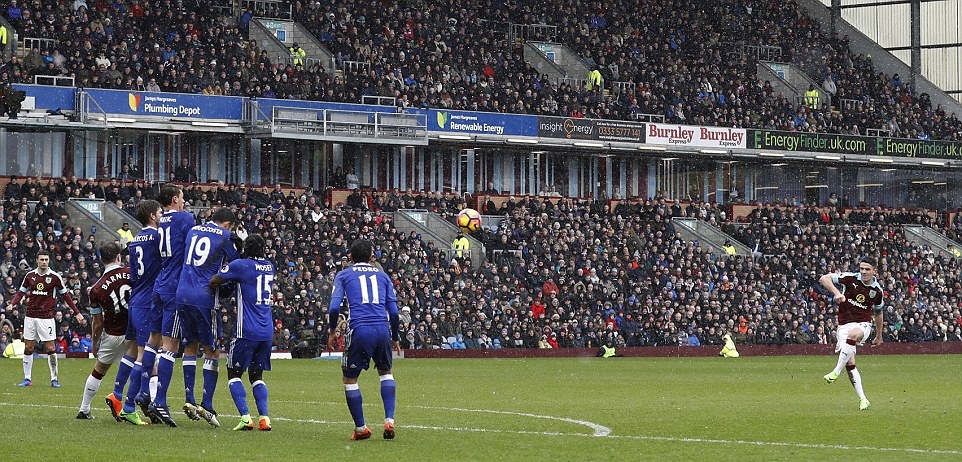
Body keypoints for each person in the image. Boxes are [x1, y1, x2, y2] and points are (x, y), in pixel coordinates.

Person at [328, 239, 400, 440]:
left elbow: (334, 308)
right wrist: (395, 336)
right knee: (386, 372)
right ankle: (389, 420)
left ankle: (361, 428)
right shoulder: (383, 275)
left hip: (359, 328)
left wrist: (332, 330)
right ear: (371, 256)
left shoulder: (344, 275)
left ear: (350, 257)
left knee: (350, 378)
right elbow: (394, 313)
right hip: (382, 328)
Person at [175, 206, 240, 427]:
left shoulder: (194, 230)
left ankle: (189, 398)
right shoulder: (225, 236)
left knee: (190, 345)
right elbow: (236, 265)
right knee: (212, 349)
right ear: (228, 224)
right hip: (204, 296)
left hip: (182, 293)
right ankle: (207, 404)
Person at [209, 233, 275, 431]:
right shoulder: (269, 266)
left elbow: (214, 280)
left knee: (234, 373)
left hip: (246, 330)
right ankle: (264, 418)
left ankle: (246, 417)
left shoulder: (241, 265)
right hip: (266, 331)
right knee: (257, 376)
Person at [76, 242, 147, 424]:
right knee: (147, 366)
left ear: (101, 259)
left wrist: (94, 343)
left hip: (112, 334)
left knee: (98, 371)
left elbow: (98, 322)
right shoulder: (132, 274)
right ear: (119, 257)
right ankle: (149, 404)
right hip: (133, 331)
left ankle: (84, 409)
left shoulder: (96, 288)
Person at [150, 184, 196, 427]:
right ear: (175, 199)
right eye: (182, 196)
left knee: (152, 342)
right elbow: (194, 249)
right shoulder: (185, 218)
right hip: (175, 287)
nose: (184, 200)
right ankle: (160, 401)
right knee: (171, 346)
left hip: (160, 283)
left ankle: (143, 394)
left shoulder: (160, 221)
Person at [5, 249, 84, 388]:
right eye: (41, 259)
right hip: (30, 316)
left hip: (46, 318)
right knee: (28, 347)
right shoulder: (30, 275)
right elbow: (20, 293)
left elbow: (66, 296)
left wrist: (77, 312)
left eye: (46, 260)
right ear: (37, 260)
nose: (44, 262)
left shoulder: (55, 277)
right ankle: (27, 378)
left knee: (50, 347)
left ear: (49, 261)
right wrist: (12, 304)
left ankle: (54, 379)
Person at [819, 257, 884, 410]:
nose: (864, 272)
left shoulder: (877, 291)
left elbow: (878, 313)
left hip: (863, 324)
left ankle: (835, 371)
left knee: (853, 335)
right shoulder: (850, 278)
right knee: (850, 363)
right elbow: (824, 278)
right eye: (862, 269)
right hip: (843, 325)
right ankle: (863, 399)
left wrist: (879, 335)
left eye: (867, 269)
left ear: (874, 271)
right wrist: (837, 293)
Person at [121, 200, 163, 425]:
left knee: (137, 351)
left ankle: (126, 396)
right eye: (161, 213)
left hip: (136, 298)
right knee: (146, 354)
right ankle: (131, 404)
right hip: (148, 301)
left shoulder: (135, 239)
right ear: (152, 216)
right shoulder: (157, 237)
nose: (163, 216)